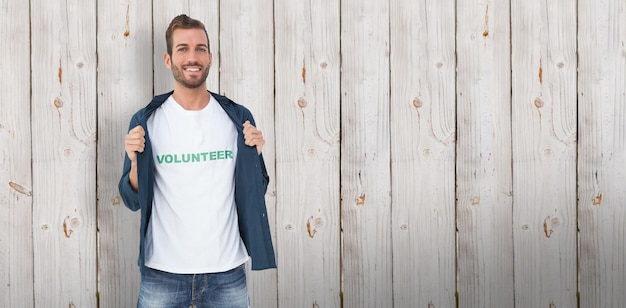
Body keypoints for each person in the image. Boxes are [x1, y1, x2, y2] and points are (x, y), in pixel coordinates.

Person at [118, 14, 276, 308]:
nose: (193, 56)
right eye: (183, 49)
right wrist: (135, 163)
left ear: (210, 57)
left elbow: (258, 189)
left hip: (227, 272)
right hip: (162, 274)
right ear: (168, 60)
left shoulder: (238, 118)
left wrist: (256, 157)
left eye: (200, 48)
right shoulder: (145, 121)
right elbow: (131, 200)